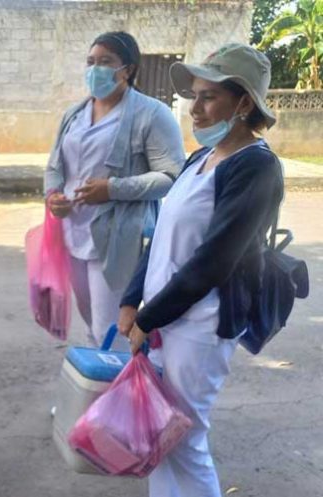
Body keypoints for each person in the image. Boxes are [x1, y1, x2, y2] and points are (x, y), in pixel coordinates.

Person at [118, 43, 284, 497]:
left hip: (200, 327)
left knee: (184, 439)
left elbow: (214, 260)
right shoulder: (199, 159)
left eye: (209, 96)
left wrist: (149, 317)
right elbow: (161, 237)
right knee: (157, 433)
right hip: (165, 318)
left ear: (244, 102)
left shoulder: (256, 166)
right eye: (195, 95)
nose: (195, 108)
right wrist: (132, 299)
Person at [44, 31, 185, 350]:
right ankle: (103, 392)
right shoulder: (74, 115)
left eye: (106, 62)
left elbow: (172, 176)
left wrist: (113, 189)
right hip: (73, 234)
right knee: (91, 326)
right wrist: (53, 195)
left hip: (118, 240)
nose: (96, 69)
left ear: (128, 69)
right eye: (91, 61)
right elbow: (54, 166)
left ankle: (120, 393)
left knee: (112, 330)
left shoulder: (151, 114)